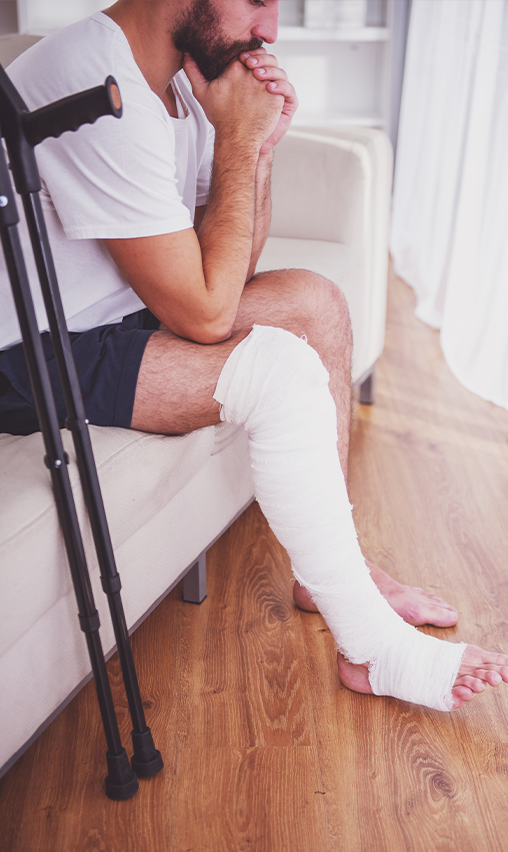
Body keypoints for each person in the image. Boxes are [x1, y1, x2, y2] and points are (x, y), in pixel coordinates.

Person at [0, 0, 506, 710]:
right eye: (259, 2)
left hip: (120, 315)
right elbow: (207, 313)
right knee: (280, 369)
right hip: (33, 348)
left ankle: (334, 570)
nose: (269, 30)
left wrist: (258, 149)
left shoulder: (176, 83)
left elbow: (227, 266)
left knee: (316, 304)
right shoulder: (89, 78)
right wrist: (236, 137)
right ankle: (371, 646)